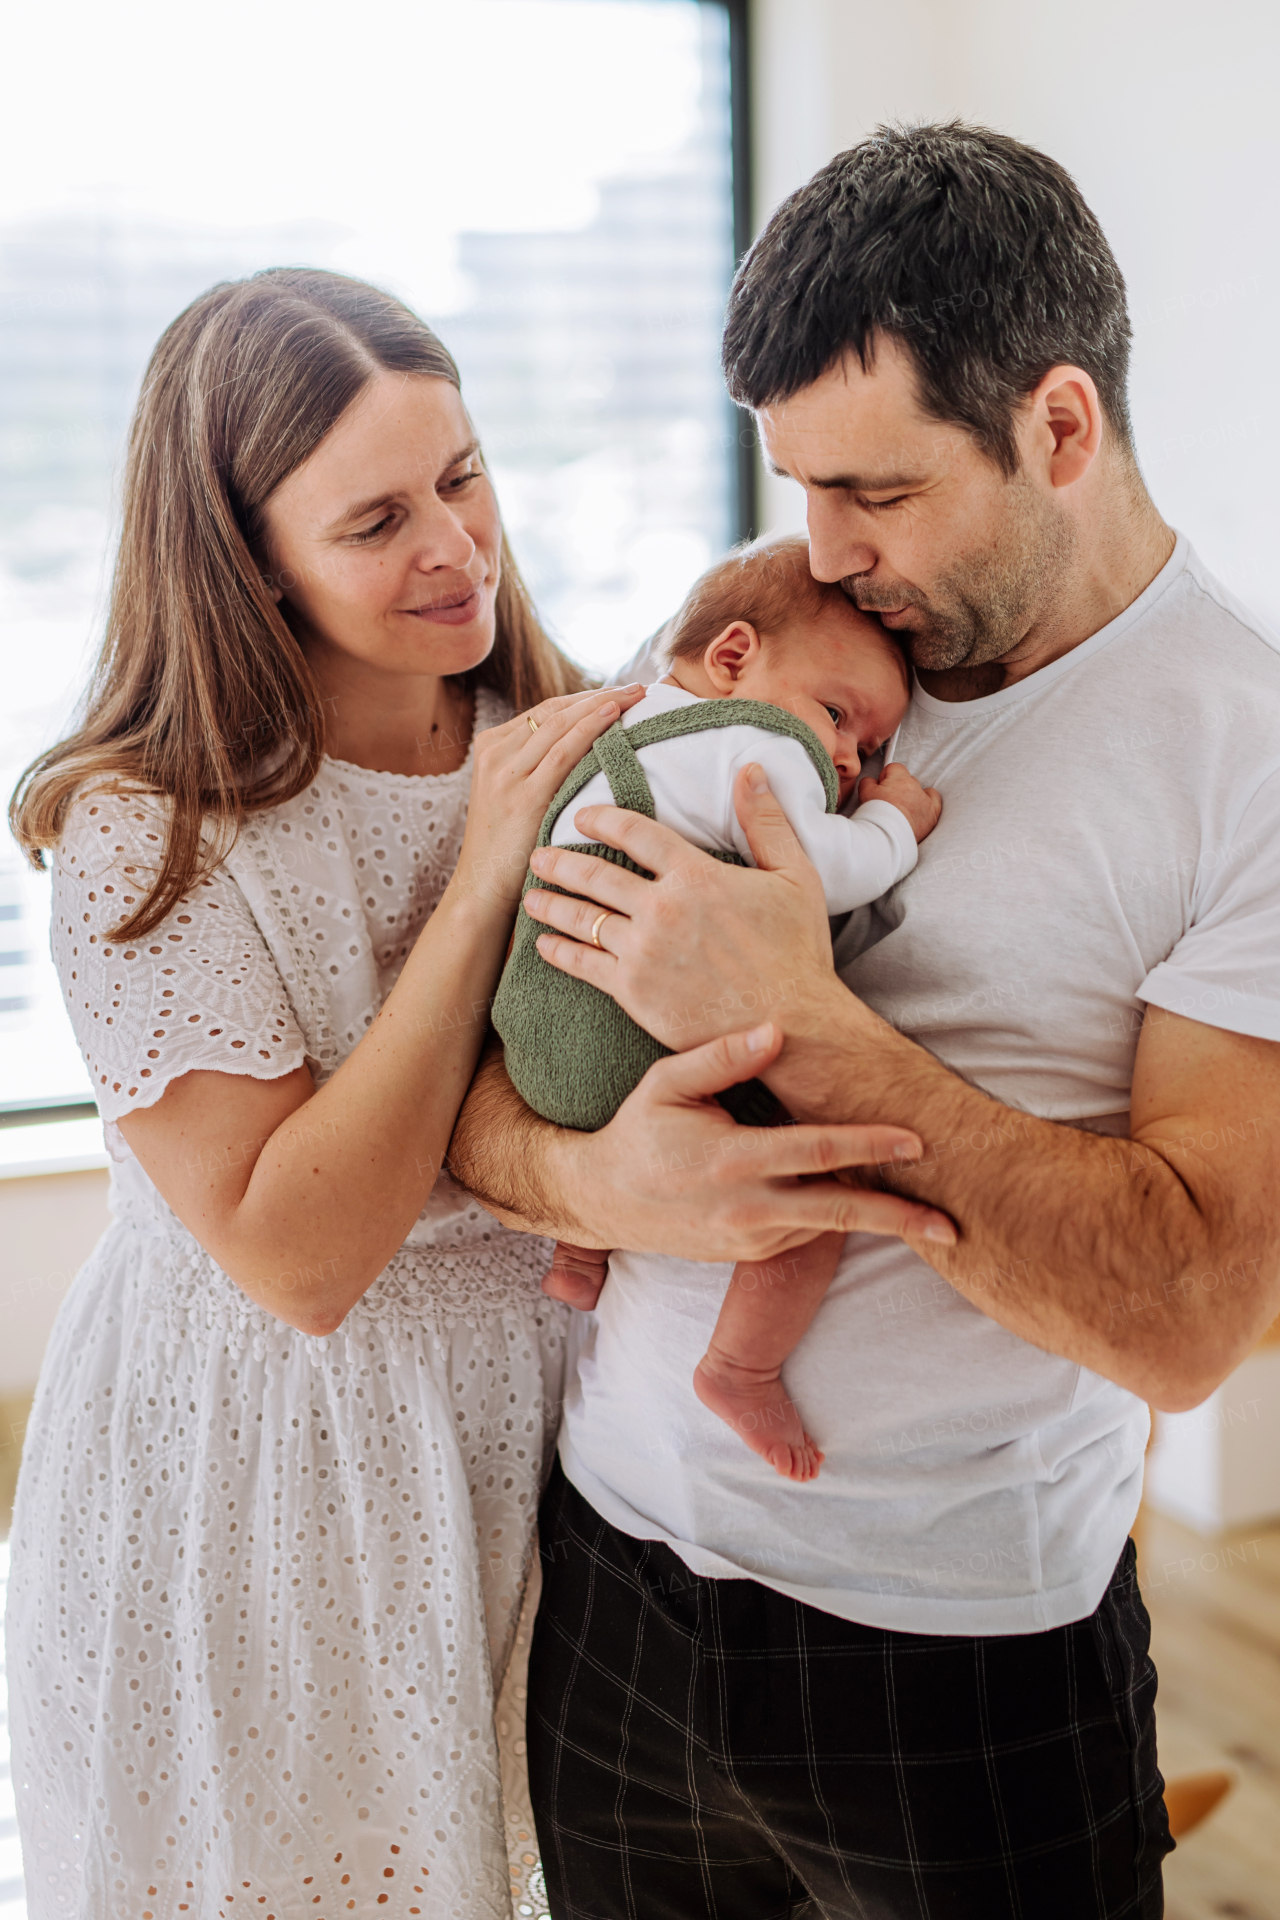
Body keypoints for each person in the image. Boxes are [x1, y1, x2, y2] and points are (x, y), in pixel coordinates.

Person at [449, 124, 1280, 1917]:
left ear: (1060, 429)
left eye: (877, 496)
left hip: (957, 1655)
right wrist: (603, 1193)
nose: (823, 550)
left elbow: (1190, 1319)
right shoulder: (764, 656)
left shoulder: (1247, 756)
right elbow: (488, 1087)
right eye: (799, 485)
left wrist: (794, 1018)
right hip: (607, 1586)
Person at [4, 267, 655, 1919]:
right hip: (271, 1484)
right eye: (373, 521)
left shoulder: (574, 734)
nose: (455, 547)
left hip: (554, 1437)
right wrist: (484, 872)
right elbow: (304, 1259)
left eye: (462, 476)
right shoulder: (142, 835)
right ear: (247, 559)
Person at [494, 534, 941, 1480]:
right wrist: (896, 819)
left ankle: (582, 1244)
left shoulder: (625, 722)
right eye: (839, 715)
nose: (850, 760)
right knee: (815, 1180)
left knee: (628, 1116)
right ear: (734, 659)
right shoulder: (755, 745)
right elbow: (818, 868)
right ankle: (742, 1366)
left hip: (536, 1029)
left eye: (870, 749)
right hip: (624, 1035)